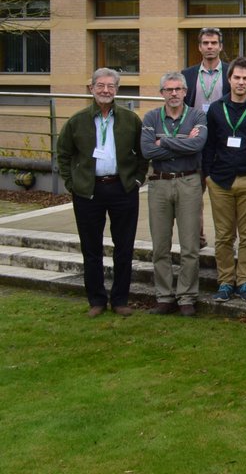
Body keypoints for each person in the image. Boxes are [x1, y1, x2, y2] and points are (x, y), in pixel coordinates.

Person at [56, 67, 147, 317]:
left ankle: (120, 300)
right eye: (101, 86)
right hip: (88, 192)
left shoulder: (130, 119)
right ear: (91, 88)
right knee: (91, 248)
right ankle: (96, 300)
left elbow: (143, 154)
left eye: (111, 86)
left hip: (122, 189)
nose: (106, 90)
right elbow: (62, 154)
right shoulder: (77, 121)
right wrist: (72, 184)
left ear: (117, 90)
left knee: (124, 247)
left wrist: (138, 180)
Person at [203, 56, 246, 303]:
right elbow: (209, 144)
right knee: (223, 235)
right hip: (219, 181)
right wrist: (208, 174)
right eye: (237, 78)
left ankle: (244, 281)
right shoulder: (216, 109)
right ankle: (225, 282)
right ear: (229, 79)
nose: (241, 82)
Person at [140, 71, 207, 316]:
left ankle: (187, 297)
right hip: (158, 184)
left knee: (189, 246)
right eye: (169, 90)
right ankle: (164, 296)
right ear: (162, 94)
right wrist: (180, 143)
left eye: (178, 89)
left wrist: (164, 142)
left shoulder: (197, 115)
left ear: (186, 91)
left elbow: (197, 145)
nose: (174, 94)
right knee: (160, 245)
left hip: (189, 181)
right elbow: (147, 151)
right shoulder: (151, 117)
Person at [182, 27, 228, 113]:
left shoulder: (230, 72)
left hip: (222, 125)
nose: (209, 46)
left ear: (220, 47)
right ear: (200, 47)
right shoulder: (186, 75)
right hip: (195, 125)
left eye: (214, 43)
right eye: (205, 43)